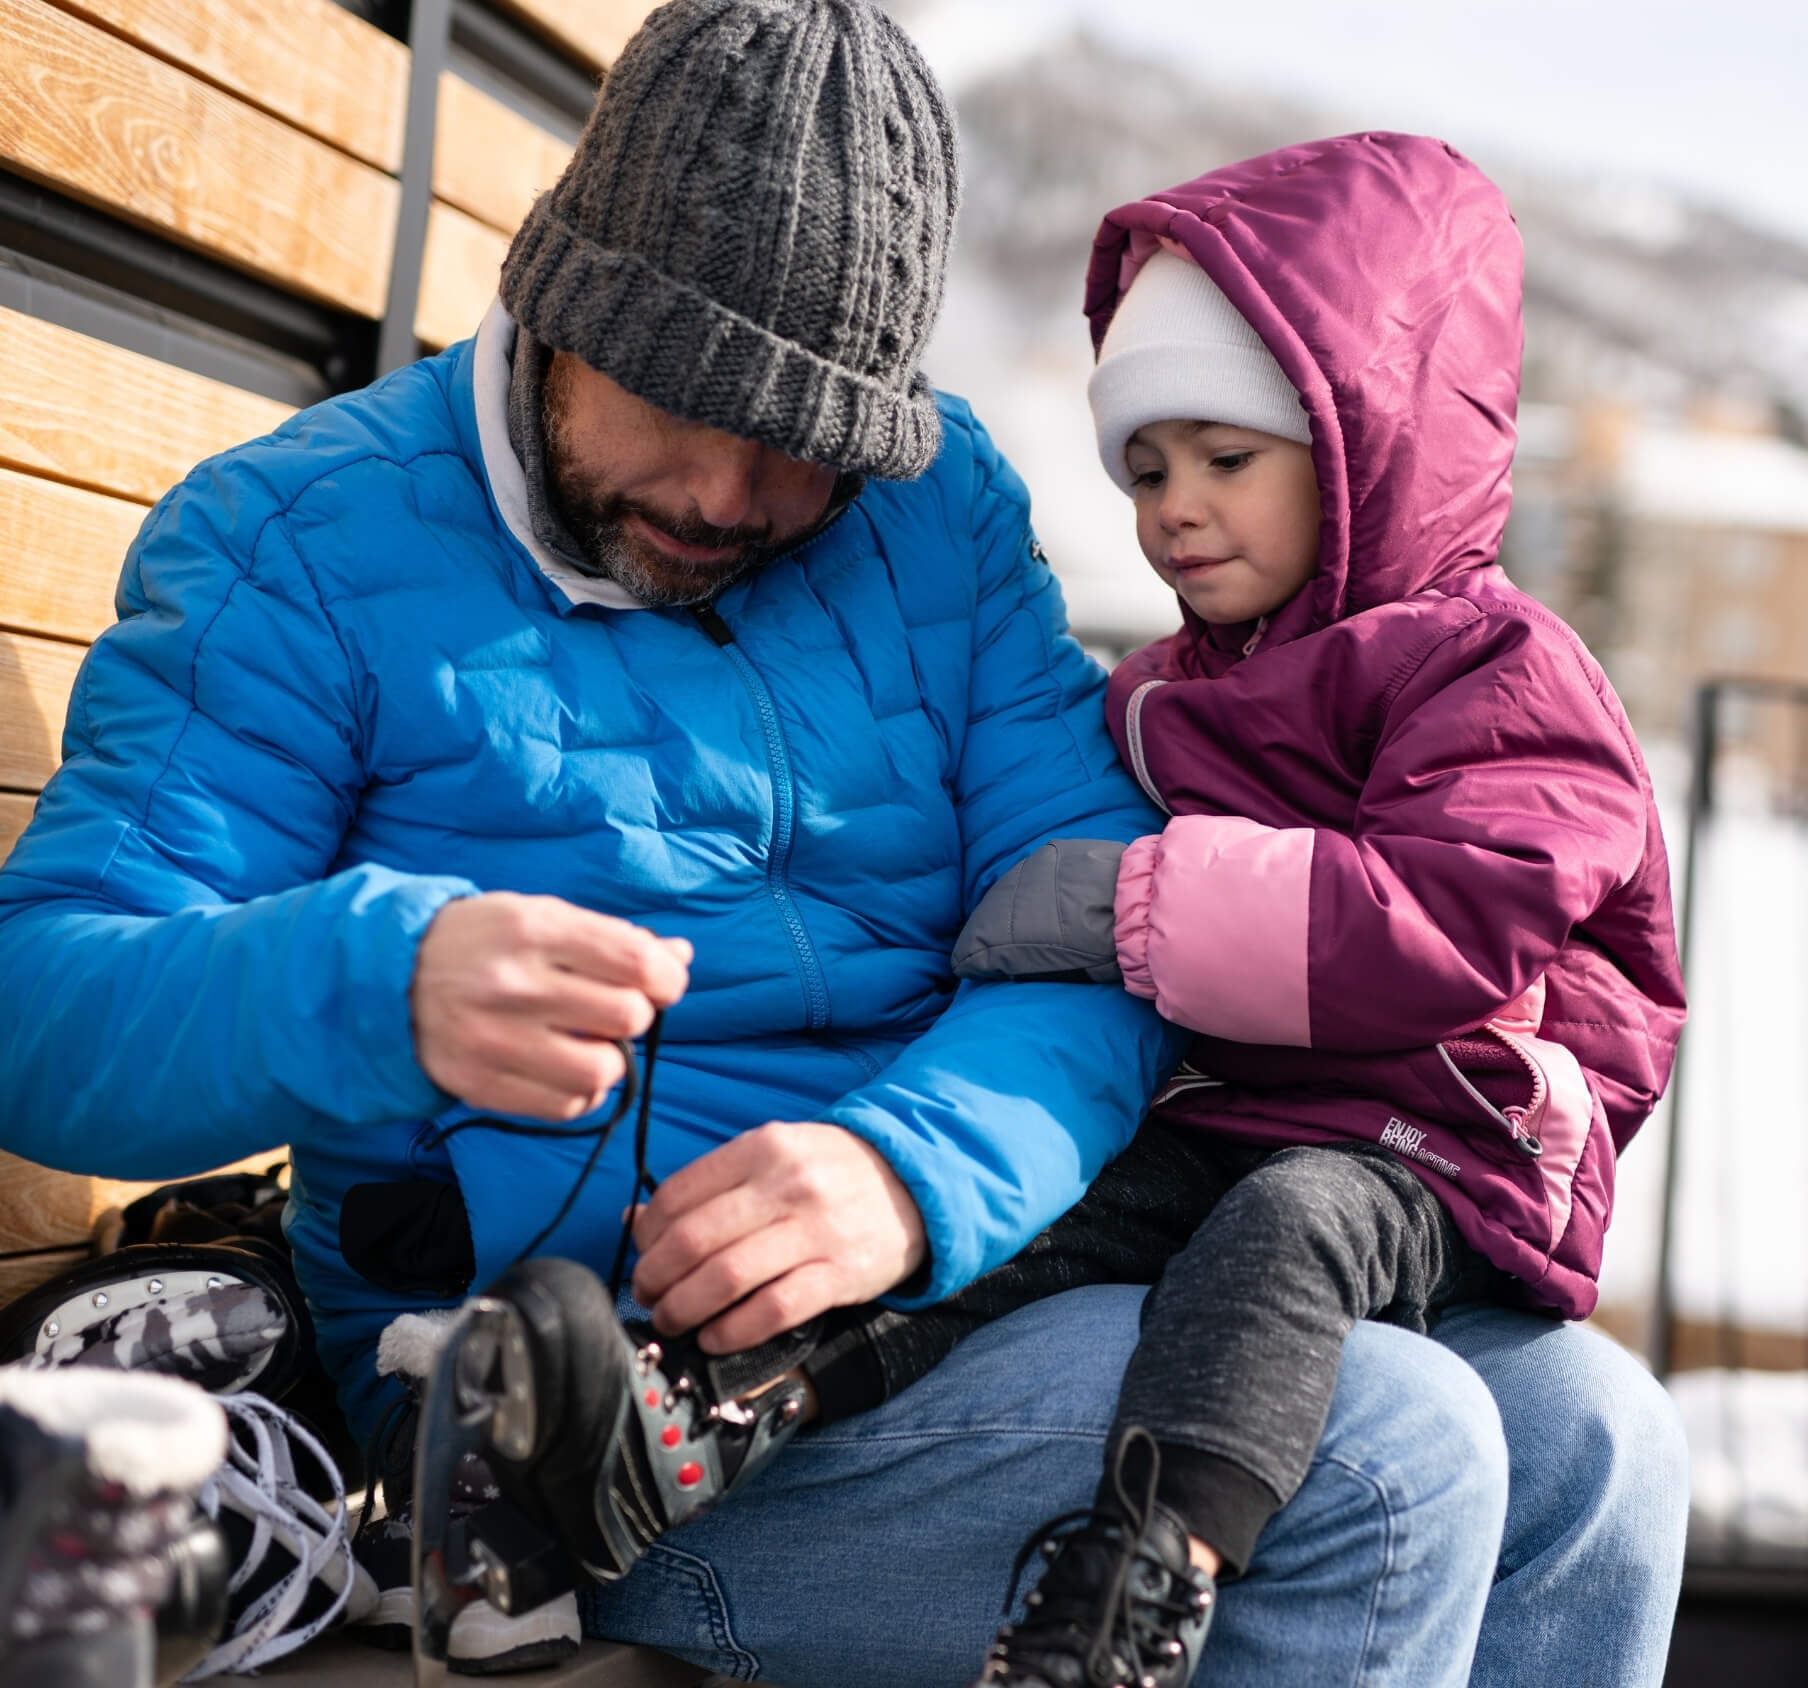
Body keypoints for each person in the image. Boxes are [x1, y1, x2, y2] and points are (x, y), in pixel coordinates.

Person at [0, 2, 1687, 1682]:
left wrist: (910, 1173)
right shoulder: (291, 544)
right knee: (1385, 1452)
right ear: (568, 300)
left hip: (967, 1273)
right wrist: (373, 983)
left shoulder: (929, 508)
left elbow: (1090, 930)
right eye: (687, 404)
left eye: (804, 444)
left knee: (1595, 1437)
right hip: (599, 1398)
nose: (734, 495)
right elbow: (44, 1021)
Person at [923, 132, 1690, 1685]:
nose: (1174, 510)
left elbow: (1453, 918)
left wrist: (1133, 903)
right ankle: (772, 1396)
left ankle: (1149, 1570)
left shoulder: (1494, 667)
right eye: (1144, 468)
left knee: (1292, 1227)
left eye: (1227, 457)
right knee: (1066, 1202)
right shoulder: (1167, 690)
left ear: (1358, 448)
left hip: (1460, 1124)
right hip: (1258, 1102)